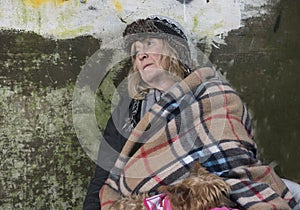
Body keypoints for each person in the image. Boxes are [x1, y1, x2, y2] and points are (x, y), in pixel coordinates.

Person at [83, 16, 298, 210]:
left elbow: (235, 154)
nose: (141, 55)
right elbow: (103, 176)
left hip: (218, 192)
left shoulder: (212, 95)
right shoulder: (127, 113)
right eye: (136, 51)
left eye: (149, 44)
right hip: (155, 200)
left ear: (174, 50)